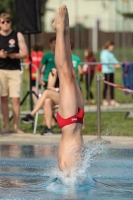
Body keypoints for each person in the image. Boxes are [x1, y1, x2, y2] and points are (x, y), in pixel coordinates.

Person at [52, 5, 84, 174]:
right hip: (77, 120)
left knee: (64, 74)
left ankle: (59, 29)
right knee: (70, 72)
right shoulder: (76, 174)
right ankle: (65, 28)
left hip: (69, 120)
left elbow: (63, 163)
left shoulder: (65, 170)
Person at [0, 13, 28, 134]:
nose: (6, 24)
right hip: (1, 70)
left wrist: (14, 55)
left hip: (15, 70)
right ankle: (7, 126)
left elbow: (25, 52)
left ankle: (16, 126)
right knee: (4, 98)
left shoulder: (17, 35)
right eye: (3, 22)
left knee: (15, 99)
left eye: (8, 21)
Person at [22, 68, 59, 135]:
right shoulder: (54, 71)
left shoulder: (67, 71)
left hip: (67, 97)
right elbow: (49, 87)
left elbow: (67, 88)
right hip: (56, 96)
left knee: (46, 92)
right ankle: (48, 128)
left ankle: (32, 114)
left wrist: (56, 89)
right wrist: (55, 75)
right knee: (47, 101)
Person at [100, 41, 121, 106]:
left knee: (112, 86)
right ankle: (104, 100)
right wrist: (114, 65)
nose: (113, 48)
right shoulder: (104, 53)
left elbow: (114, 60)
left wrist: (119, 64)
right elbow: (106, 62)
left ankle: (112, 101)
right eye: (112, 46)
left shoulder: (111, 53)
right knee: (106, 87)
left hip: (111, 72)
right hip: (106, 72)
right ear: (109, 46)